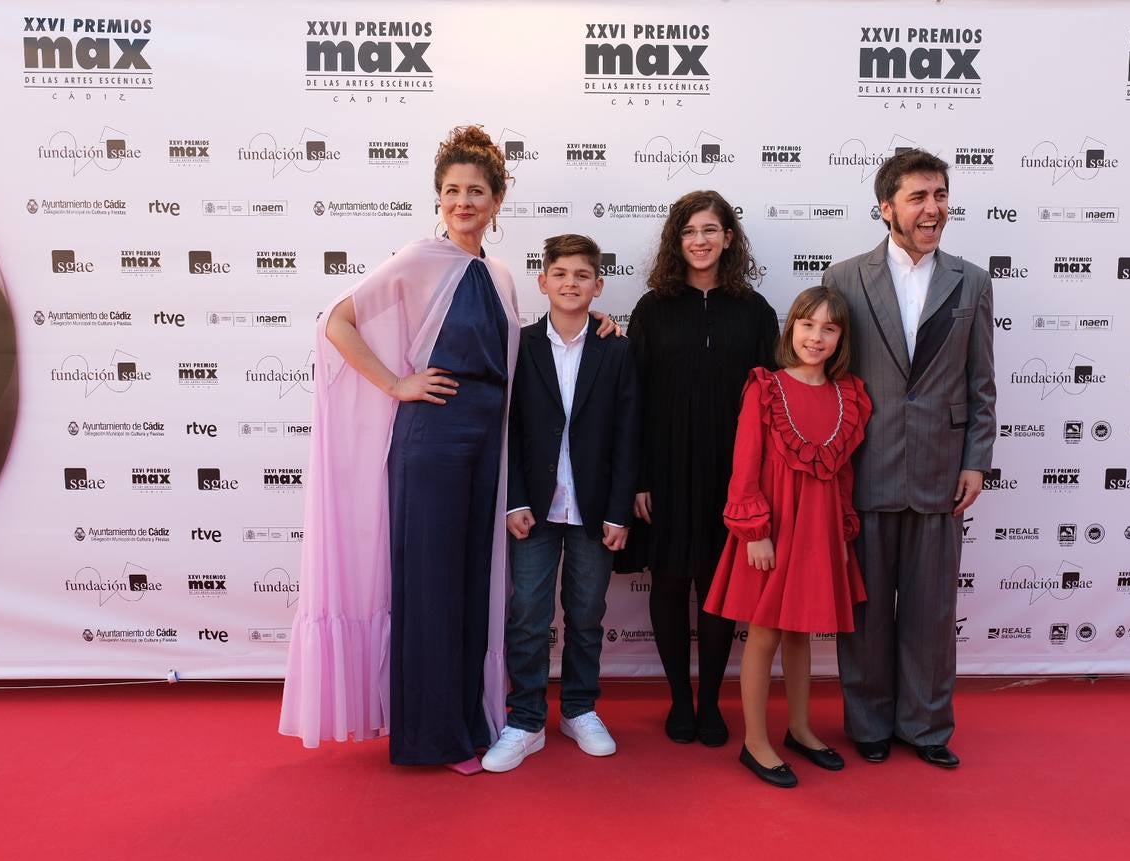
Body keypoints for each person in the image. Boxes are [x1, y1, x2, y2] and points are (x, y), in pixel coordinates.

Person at [279, 125, 616, 772]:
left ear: (496, 201)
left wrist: (598, 325)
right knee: (431, 584)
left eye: (477, 191)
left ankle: (467, 722)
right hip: (433, 440)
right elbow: (336, 321)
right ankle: (429, 735)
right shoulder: (418, 257)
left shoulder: (498, 273)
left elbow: (528, 356)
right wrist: (395, 383)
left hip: (489, 444)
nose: (464, 201)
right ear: (439, 197)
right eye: (452, 190)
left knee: (471, 588)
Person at [826, 149, 997, 769]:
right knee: (865, 609)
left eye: (941, 196)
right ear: (887, 208)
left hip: (941, 470)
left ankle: (925, 727)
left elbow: (981, 381)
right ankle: (868, 722)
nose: (934, 209)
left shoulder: (971, 280)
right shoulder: (844, 279)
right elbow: (827, 378)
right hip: (865, 466)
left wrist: (976, 459)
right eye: (920, 197)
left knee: (931, 610)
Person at [623, 190, 779, 746]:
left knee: (718, 587)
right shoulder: (651, 309)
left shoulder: (755, 311)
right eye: (689, 231)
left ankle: (711, 701)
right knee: (667, 582)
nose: (700, 241)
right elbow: (633, 399)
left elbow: (770, 402)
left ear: (729, 239)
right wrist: (637, 478)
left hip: (730, 474)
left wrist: (757, 483)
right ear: (675, 240)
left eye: (710, 230)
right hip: (663, 470)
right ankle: (678, 701)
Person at [481, 234, 640, 772]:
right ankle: (525, 719)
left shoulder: (617, 349)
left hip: (595, 510)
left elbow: (627, 433)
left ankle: (578, 708)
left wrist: (619, 511)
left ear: (598, 286)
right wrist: (513, 500)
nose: (571, 283)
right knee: (527, 614)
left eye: (582, 275)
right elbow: (511, 429)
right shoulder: (519, 346)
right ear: (543, 281)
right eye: (561, 273)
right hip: (534, 510)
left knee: (587, 613)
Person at [704, 286, 872, 788]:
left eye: (829, 329)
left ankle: (800, 727)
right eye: (807, 325)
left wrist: (842, 532)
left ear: (841, 338)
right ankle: (756, 740)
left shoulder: (849, 396)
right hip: (773, 529)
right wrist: (755, 530)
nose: (816, 337)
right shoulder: (765, 388)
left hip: (819, 528)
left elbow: (843, 475)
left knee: (803, 630)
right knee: (765, 632)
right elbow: (744, 464)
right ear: (790, 328)